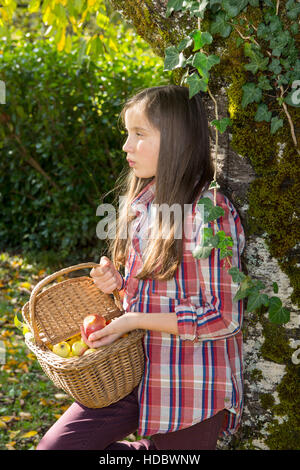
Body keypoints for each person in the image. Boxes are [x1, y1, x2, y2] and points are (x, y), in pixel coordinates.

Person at [37, 85, 245, 451]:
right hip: (131, 371)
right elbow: (141, 295)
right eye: (126, 134)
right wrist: (115, 285)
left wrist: (133, 320)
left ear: (176, 140)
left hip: (188, 384)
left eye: (139, 134)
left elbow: (224, 317)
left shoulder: (209, 212)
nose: (126, 146)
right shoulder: (142, 204)